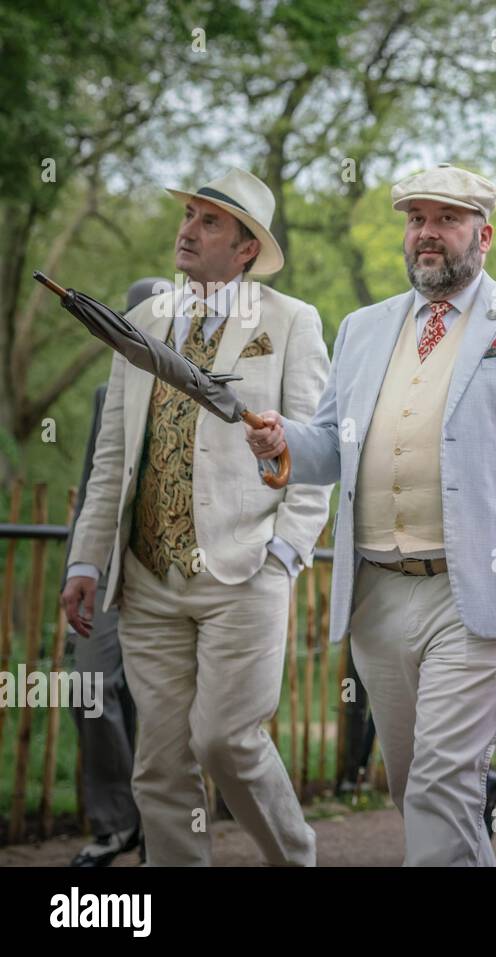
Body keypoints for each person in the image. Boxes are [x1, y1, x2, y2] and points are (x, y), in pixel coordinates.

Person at [246, 165, 496, 866]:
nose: (427, 233)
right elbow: (331, 445)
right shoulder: (364, 328)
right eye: (416, 218)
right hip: (378, 591)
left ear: (484, 234)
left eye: (446, 219)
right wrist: (281, 441)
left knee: (442, 781)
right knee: (414, 786)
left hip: (478, 585)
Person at [62, 169, 331, 866]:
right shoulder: (143, 324)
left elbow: (317, 448)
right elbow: (114, 453)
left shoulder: (291, 322)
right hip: (149, 576)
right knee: (160, 760)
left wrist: (287, 552)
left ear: (246, 249)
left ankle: (294, 858)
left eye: (210, 222)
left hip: (245, 571)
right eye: (188, 214)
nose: (187, 230)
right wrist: (89, 560)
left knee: (226, 739)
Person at [62, 278, 168, 867]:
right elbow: (94, 489)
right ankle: (115, 823)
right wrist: (76, 571)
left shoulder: (203, 385)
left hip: (178, 570)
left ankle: (164, 829)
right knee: (88, 682)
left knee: (165, 704)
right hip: (108, 567)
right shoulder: (110, 394)